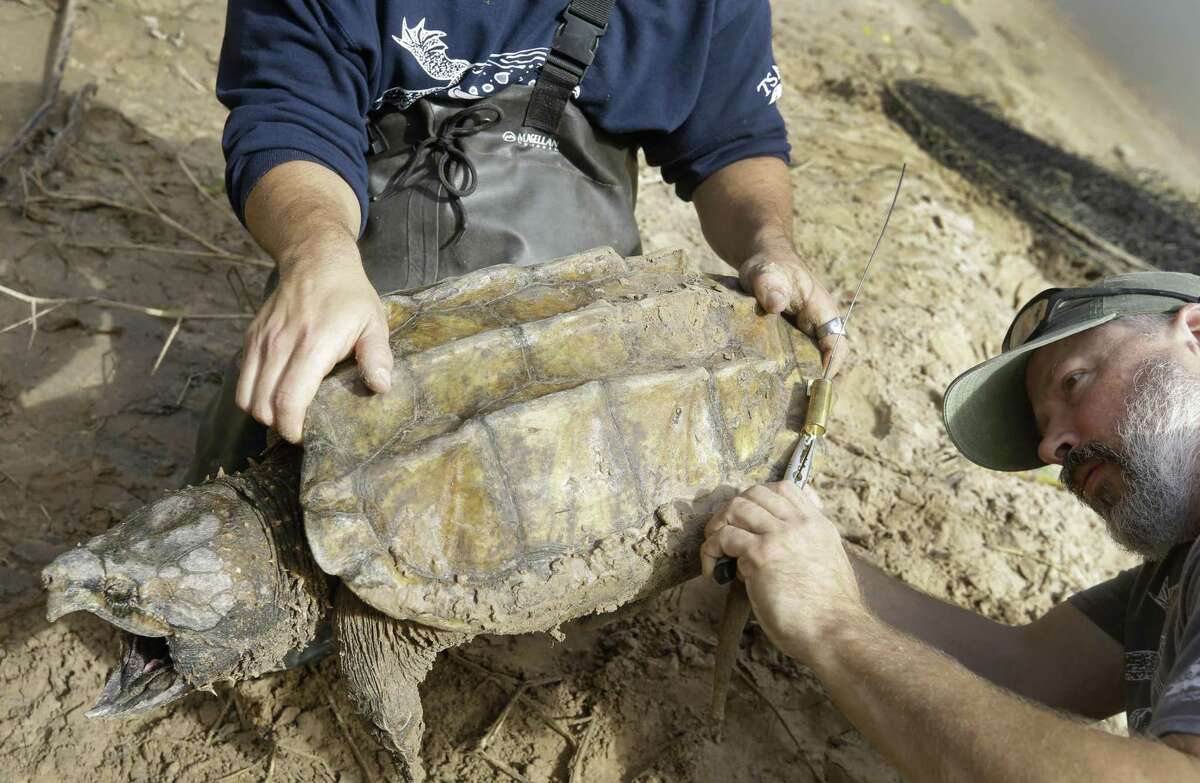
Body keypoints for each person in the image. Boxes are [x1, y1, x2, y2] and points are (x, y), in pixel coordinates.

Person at [193, 0, 846, 479]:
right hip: (362, 228)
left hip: (569, 286)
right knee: (273, 469)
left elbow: (732, 135)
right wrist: (319, 254)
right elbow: (291, 113)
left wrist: (769, 241)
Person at [701, 271, 1200, 779]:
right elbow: (1029, 671)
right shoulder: (1174, 569)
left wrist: (833, 627)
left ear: (1195, 334)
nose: (1051, 450)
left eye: (1074, 381)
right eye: (1044, 429)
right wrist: (804, 554)